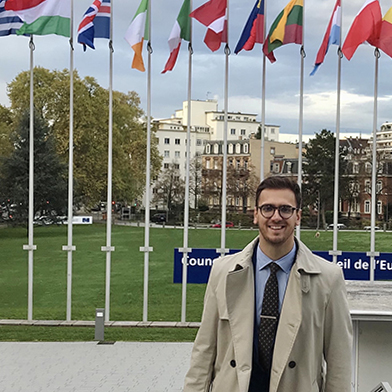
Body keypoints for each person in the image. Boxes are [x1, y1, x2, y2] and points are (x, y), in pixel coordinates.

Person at [183, 176, 352, 392]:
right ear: (255, 215)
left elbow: (340, 360)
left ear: (298, 216)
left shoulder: (328, 278)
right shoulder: (222, 272)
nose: (276, 217)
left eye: (285, 209)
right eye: (268, 208)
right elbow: (204, 351)